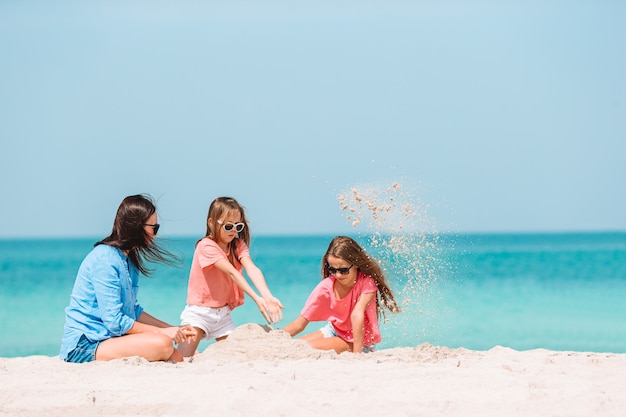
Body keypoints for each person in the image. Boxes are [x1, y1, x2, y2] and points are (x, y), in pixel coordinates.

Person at [60, 194, 197, 363]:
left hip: (108, 339)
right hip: (85, 344)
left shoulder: (128, 259)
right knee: (163, 343)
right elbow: (114, 322)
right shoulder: (105, 259)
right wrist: (162, 332)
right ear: (137, 227)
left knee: (175, 355)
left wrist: (172, 328)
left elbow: (133, 311)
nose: (155, 234)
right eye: (154, 228)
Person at [177, 196, 283, 357]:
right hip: (199, 313)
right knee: (180, 358)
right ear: (211, 223)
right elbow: (232, 273)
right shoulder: (206, 246)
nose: (233, 230)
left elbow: (251, 268)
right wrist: (257, 298)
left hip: (223, 315)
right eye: (228, 226)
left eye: (237, 226)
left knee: (237, 356)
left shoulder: (237, 245)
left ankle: (199, 354)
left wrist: (267, 296)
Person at [283, 236, 399, 353]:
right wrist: (272, 338)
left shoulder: (366, 282)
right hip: (333, 330)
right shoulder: (326, 287)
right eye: (332, 269)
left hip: (359, 341)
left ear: (356, 264)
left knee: (307, 348)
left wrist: (357, 355)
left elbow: (357, 314)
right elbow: (300, 324)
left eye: (343, 270)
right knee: (293, 345)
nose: (338, 275)